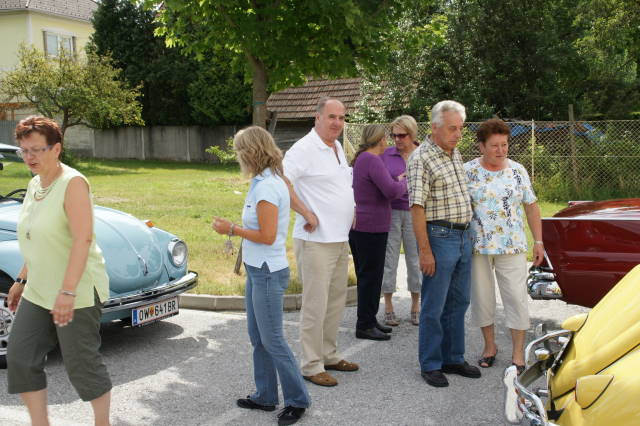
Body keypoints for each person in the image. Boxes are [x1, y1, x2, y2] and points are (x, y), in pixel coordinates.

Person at [6, 116, 112, 425]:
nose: (29, 157)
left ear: (56, 149)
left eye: (37, 150)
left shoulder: (73, 183)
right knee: (21, 357)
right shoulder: (35, 182)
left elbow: (83, 239)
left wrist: (66, 291)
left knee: (82, 366)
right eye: (24, 150)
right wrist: (22, 278)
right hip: (39, 287)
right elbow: (34, 236)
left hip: (75, 290)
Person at [212, 126, 309, 426]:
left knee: (273, 339)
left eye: (239, 149)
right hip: (259, 270)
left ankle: (297, 400)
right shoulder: (265, 180)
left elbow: (267, 236)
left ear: (250, 152)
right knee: (258, 338)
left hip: (267, 272)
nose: (236, 155)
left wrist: (231, 229)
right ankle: (266, 395)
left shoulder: (267, 186)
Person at [282, 97, 358, 388]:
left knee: (335, 301)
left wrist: (352, 209)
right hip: (315, 240)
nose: (337, 122)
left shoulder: (336, 146)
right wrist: (305, 212)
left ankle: (329, 354)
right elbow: (282, 181)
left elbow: (340, 185)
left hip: (339, 238)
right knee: (315, 304)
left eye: (341, 117)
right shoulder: (304, 148)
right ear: (317, 118)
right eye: (331, 117)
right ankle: (311, 364)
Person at [407, 100, 481, 388]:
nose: (458, 134)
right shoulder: (421, 158)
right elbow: (416, 208)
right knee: (434, 304)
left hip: (463, 236)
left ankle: (453, 357)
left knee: (459, 301)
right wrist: (425, 251)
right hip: (439, 238)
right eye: (452, 128)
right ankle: (431, 363)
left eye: (460, 129)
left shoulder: (453, 153)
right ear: (434, 127)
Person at [464, 118, 543, 375]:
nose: (501, 150)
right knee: (482, 300)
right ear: (481, 147)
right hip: (479, 248)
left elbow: (531, 206)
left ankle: (518, 352)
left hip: (512, 247)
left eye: (505, 145)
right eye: (495, 145)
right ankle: (490, 347)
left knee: (516, 299)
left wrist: (538, 241)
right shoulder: (468, 172)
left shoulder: (518, 170)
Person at [350, 124, 407, 341]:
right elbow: (391, 191)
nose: (389, 142)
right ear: (380, 139)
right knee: (370, 277)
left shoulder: (364, 159)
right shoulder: (371, 160)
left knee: (369, 276)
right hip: (370, 227)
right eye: (386, 138)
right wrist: (404, 181)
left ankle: (369, 319)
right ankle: (364, 324)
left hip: (364, 226)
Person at [380, 115, 422, 326]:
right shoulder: (386, 154)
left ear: (412, 134)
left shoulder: (423, 153)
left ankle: (416, 305)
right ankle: (388, 306)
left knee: (415, 260)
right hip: (392, 212)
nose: (397, 139)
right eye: (394, 135)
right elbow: (378, 181)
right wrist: (394, 182)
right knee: (390, 259)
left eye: (402, 135)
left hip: (417, 212)